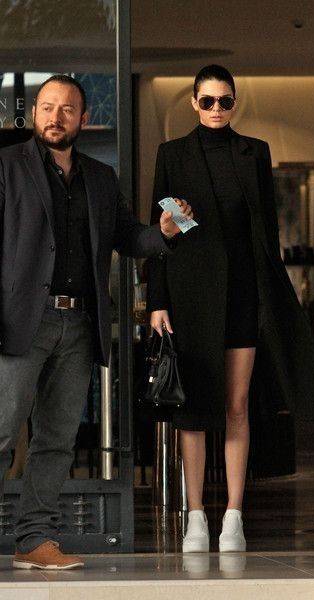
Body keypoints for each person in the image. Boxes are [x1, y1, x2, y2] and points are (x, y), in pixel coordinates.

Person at [0, 74, 193, 570]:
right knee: (1, 431)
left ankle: (34, 539)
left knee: (57, 439)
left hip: (80, 323)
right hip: (19, 322)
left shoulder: (101, 178)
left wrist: (164, 232)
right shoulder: (7, 166)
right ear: (34, 113)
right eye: (47, 107)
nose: (56, 117)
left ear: (83, 119)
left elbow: (128, 237)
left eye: (67, 109)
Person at [147, 65, 314, 553]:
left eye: (225, 101)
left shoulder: (254, 152)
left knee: (237, 405)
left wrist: (274, 295)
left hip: (244, 293)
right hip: (191, 293)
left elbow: (266, 233)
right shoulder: (172, 154)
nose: (216, 109)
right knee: (193, 409)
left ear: (235, 102)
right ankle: (195, 517)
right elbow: (159, 234)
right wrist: (157, 300)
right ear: (194, 102)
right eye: (207, 101)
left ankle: (233, 515)